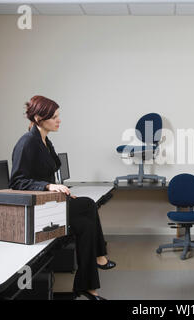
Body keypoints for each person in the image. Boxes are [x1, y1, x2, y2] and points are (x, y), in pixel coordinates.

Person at [9, 95, 116, 300]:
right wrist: (49, 186)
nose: (59, 120)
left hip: (49, 202)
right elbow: (16, 182)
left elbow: (48, 170)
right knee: (87, 205)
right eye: (55, 117)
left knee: (85, 225)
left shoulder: (44, 140)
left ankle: (88, 286)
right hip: (38, 208)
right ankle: (98, 258)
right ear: (40, 118)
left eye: (59, 116)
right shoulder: (27, 142)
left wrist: (61, 190)